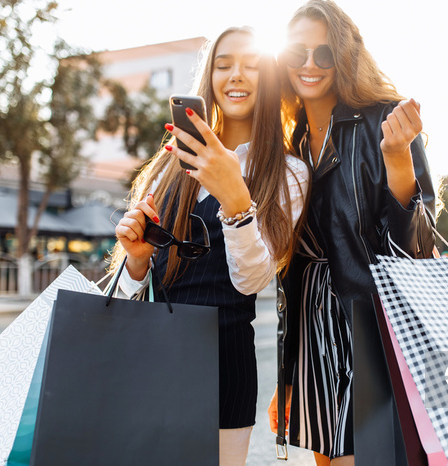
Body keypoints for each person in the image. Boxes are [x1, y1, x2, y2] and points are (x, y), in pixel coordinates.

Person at [111, 27, 309, 465]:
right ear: (209, 77)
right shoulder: (169, 162)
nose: (236, 76)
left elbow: (254, 279)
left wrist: (236, 198)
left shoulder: (288, 172)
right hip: (152, 354)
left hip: (223, 363)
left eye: (252, 66)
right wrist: (137, 260)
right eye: (224, 65)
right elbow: (130, 288)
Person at [267, 1, 437, 465]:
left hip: (370, 325)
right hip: (311, 333)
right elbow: (291, 266)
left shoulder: (385, 120)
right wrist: (286, 378)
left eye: (323, 54)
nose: (309, 64)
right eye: (297, 52)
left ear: (343, 56)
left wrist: (398, 158)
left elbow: (417, 249)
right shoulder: (291, 142)